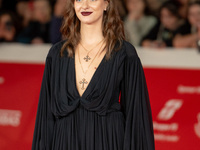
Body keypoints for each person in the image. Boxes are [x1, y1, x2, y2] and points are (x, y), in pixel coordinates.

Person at [32, 0, 155, 149]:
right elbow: (46, 115)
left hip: (108, 141)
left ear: (106, 4)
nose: (85, 5)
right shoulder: (57, 54)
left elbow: (136, 116)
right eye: (79, 0)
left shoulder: (124, 53)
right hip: (64, 142)